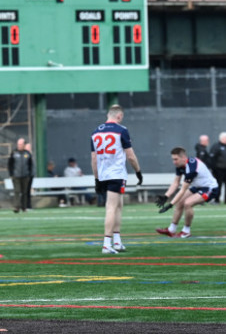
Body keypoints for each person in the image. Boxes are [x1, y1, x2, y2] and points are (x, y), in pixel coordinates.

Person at [91, 104, 143, 255]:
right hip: (116, 174)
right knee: (111, 207)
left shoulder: (95, 132)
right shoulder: (122, 130)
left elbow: (94, 158)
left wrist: (96, 179)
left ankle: (117, 241)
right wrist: (138, 171)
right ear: (119, 116)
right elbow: (131, 156)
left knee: (118, 206)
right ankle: (107, 244)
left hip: (103, 173)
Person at [155, 147, 219, 238]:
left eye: (176, 159)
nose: (174, 162)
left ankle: (186, 231)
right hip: (197, 186)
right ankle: (171, 230)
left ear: (184, 158)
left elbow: (183, 190)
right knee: (180, 202)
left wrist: (170, 204)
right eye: (173, 159)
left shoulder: (191, 168)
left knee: (188, 203)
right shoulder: (180, 165)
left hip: (210, 188)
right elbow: (176, 183)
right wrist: (166, 196)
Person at [8, 138, 33, 213]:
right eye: (18, 144)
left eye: (21, 144)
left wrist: (29, 174)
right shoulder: (14, 153)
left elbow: (30, 164)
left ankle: (24, 207)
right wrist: (11, 174)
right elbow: (10, 164)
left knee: (25, 192)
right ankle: (16, 207)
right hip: (16, 176)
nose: (19, 146)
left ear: (24, 145)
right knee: (17, 191)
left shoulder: (27, 154)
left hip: (25, 176)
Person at [208, 132, 226, 205]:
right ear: (222, 138)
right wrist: (213, 168)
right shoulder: (216, 146)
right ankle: (216, 200)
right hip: (218, 170)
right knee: (218, 185)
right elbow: (212, 158)